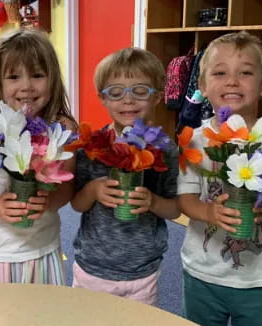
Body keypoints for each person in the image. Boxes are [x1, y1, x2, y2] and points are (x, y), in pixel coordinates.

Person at [178, 31, 262, 326]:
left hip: (257, 277)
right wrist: (208, 211)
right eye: (220, 72)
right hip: (202, 271)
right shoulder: (194, 140)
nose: (232, 81)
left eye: (246, 73)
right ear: (202, 85)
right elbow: (184, 199)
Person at [0, 29, 77, 285]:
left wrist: (50, 201)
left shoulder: (62, 129)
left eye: (37, 75)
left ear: (53, 79)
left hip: (41, 250)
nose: (26, 86)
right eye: (14, 76)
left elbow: (67, 185)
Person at [70, 48, 180, 306]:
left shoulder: (165, 149)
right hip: (93, 266)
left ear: (157, 97)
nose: (128, 100)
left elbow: (175, 208)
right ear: (102, 98)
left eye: (140, 90)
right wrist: (93, 191)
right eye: (116, 92)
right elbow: (76, 204)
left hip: (143, 270)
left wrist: (153, 202)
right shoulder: (92, 146)